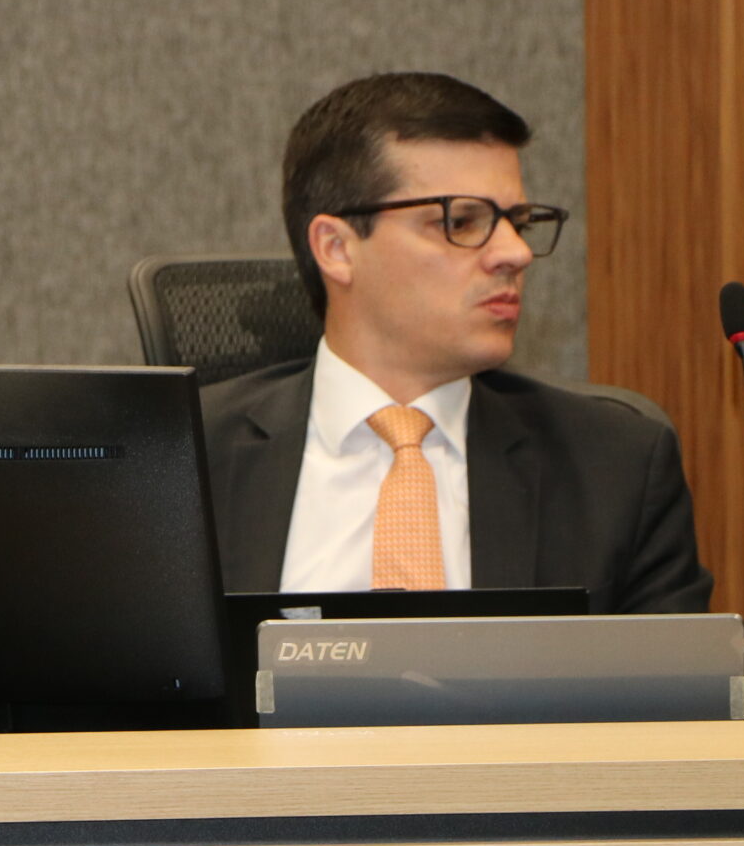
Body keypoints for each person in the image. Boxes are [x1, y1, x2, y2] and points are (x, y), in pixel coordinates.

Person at [199, 71, 711, 613]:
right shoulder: (186, 465)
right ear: (336, 249)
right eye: (463, 222)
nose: (512, 253)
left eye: (519, 223)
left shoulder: (616, 469)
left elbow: (672, 695)